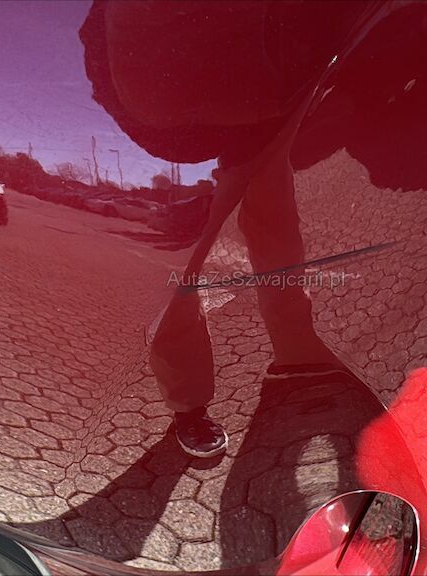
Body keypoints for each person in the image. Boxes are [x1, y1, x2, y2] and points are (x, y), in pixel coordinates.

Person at [80, 1, 362, 456]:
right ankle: (188, 403)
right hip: (194, 128)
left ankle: (298, 357)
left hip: (278, 109)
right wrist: (162, 131)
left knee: (280, 242)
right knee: (180, 278)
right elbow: (109, 42)